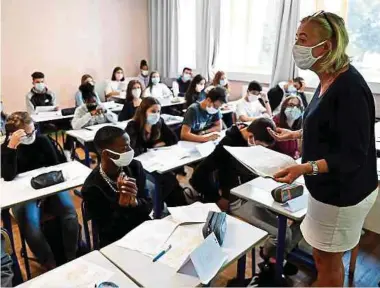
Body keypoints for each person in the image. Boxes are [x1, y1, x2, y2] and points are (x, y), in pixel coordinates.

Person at [269, 11, 378, 287]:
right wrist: (295, 133)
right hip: (326, 191)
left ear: (325, 46)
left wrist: (304, 168)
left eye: (302, 39)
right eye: (296, 38)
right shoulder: (327, 79)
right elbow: (330, 128)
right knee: (321, 258)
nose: (296, 46)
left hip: (343, 194)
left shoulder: (350, 88)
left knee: (328, 267)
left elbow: (352, 154)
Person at [1, 112, 79, 270]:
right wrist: (11, 148)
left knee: (70, 214)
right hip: (24, 194)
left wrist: (45, 192)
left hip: (49, 187)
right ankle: (49, 263)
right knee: (32, 227)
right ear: (13, 134)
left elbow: (57, 165)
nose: (32, 135)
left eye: (33, 130)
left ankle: (72, 256)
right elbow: (8, 177)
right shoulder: (6, 148)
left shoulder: (42, 140)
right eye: (27, 134)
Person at [81, 126, 152, 247]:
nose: (131, 150)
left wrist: (135, 202)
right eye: (125, 148)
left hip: (143, 230)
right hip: (116, 242)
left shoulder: (135, 167)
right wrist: (121, 205)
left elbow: (148, 206)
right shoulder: (92, 187)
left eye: (129, 145)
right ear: (107, 154)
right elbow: (107, 231)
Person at [190, 118, 276, 210]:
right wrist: (217, 199)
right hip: (233, 197)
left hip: (249, 190)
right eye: (261, 146)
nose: (260, 150)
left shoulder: (252, 134)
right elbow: (198, 175)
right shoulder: (228, 145)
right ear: (251, 137)